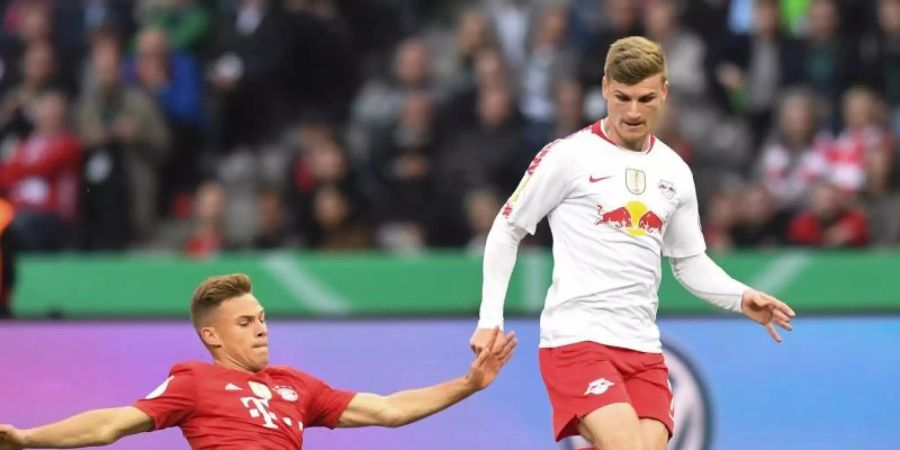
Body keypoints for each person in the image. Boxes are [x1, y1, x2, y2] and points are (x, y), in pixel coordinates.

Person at [469, 36, 795, 450]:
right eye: (622, 97)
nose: (633, 112)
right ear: (605, 88)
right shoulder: (567, 156)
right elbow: (507, 229)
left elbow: (688, 261)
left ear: (664, 92)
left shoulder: (675, 171)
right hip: (577, 341)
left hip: (642, 348)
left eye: (645, 98)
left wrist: (740, 296)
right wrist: (489, 318)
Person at [0, 273, 517, 449]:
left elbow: (387, 410)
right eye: (245, 323)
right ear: (212, 336)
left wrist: (467, 384)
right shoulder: (193, 381)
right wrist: (26, 439)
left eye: (262, 317)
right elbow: (112, 423)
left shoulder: (296, 385)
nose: (262, 327)